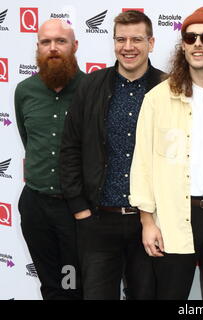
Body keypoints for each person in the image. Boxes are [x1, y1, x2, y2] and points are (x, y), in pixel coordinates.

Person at [129, 7, 203, 300]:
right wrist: (148, 221)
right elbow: (143, 162)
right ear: (183, 45)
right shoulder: (158, 98)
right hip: (171, 218)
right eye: (191, 37)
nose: (198, 44)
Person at [59, 10, 164, 300]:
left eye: (136, 39)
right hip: (98, 220)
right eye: (121, 39)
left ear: (151, 43)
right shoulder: (90, 86)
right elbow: (70, 147)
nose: (127, 46)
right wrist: (80, 209)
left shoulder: (167, 89)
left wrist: (157, 217)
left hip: (150, 223)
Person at [14, 19, 83, 300]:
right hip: (35, 206)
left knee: (75, 283)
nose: (53, 48)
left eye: (61, 41)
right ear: (38, 47)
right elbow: (27, 139)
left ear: (74, 46)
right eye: (46, 42)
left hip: (76, 209)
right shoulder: (24, 91)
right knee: (50, 285)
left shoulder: (91, 89)